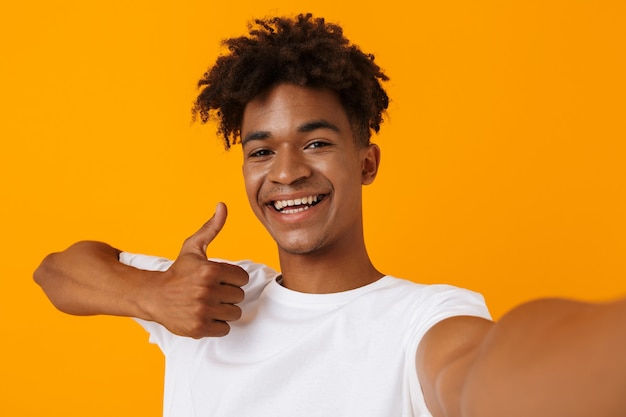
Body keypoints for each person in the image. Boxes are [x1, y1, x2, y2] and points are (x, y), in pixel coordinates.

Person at [34, 13, 626, 417]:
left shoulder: (421, 319)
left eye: (316, 143)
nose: (286, 172)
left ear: (365, 162)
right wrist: (150, 295)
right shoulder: (206, 295)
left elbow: (477, 373)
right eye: (261, 151)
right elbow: (57, 271)